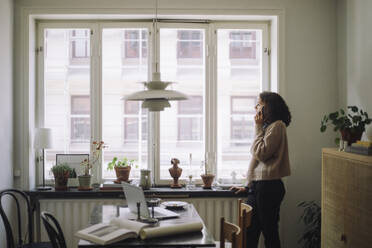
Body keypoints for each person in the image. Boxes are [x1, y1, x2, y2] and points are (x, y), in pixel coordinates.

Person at [231, 91, 291, 248]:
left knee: (269, 232)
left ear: (268, 107)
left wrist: (257, 128)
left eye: (258, 104)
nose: (255, 107)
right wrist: (247, 185)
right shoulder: (266, 127)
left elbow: (261, 153)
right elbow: (255, 161)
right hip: (259, 186)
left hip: (269, 187)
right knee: (250, 231)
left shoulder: (277, 126)